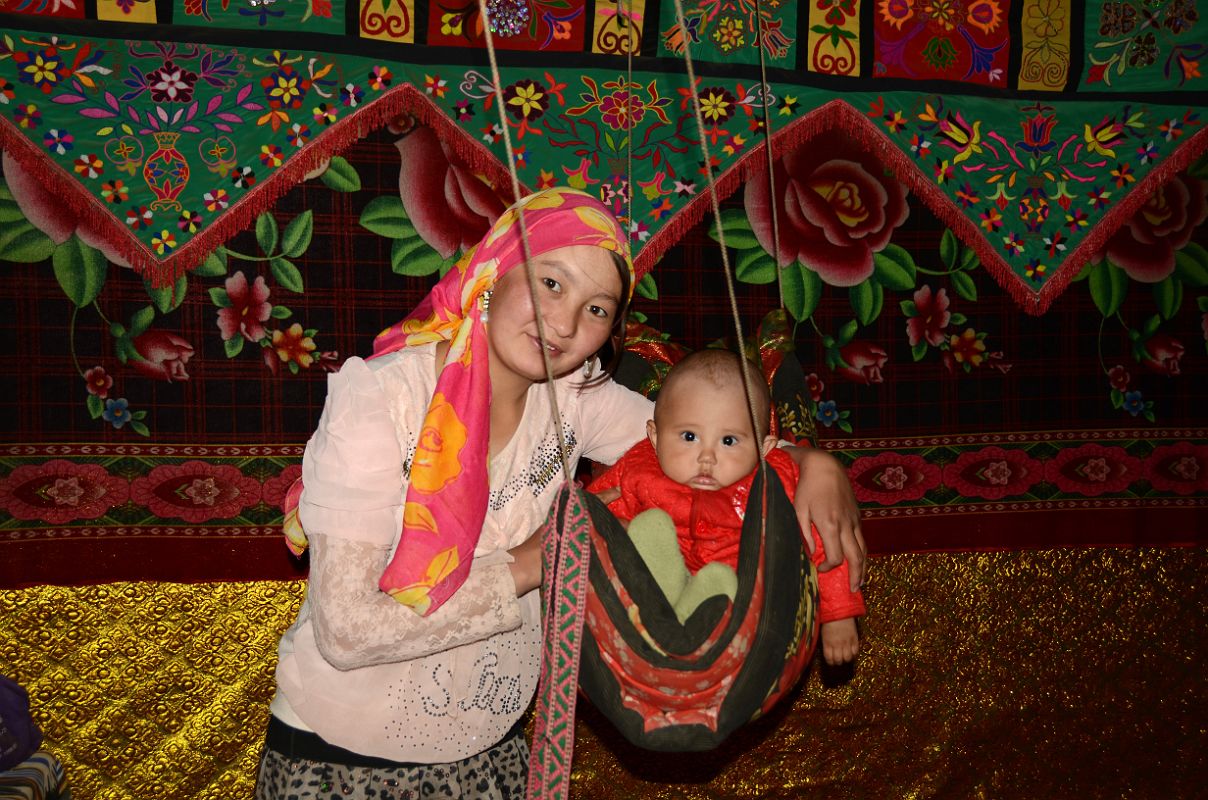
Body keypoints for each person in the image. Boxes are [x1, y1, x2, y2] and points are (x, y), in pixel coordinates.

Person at [258, 187, 867, 798]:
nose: (567, 324)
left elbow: (709, 435)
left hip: (493, 759)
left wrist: (815, 465)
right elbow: (347, 631)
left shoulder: (577, 399)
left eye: (598, 309)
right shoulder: (382, 398)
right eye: (552, 283)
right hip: (341, 761)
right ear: (495, 273)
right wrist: (531, 562)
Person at [590, 349, 864, 665]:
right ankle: (665, 624)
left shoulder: (774, 483)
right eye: (689, 436)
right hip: (653, 599)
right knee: (648, 527)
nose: (707, 457)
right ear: (654, 437)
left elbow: (821, 544)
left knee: (729, 575)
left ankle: (699, 621)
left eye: (729, 441)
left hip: (743, 610)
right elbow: (595, 510)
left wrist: (839, 616)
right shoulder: (638, 469)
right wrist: (598, 528)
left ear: (764, 448)